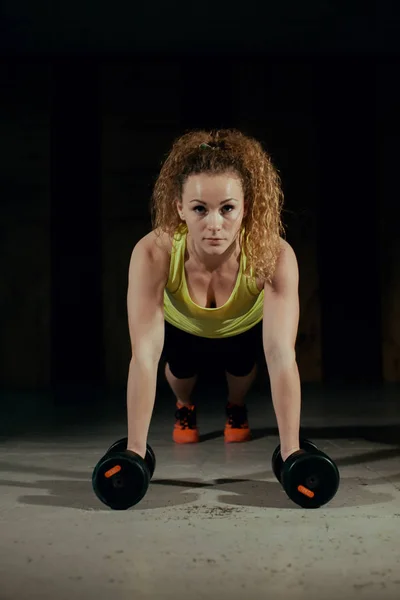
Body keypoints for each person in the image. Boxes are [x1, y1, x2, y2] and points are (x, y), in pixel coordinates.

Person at [126, 129, 301, 463]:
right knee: (180, 371)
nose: (214, 224)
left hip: (241, 327)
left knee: (241, 367)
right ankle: (184, 406)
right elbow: (144, 356)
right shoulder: (153, 252)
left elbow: (280, 356)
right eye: (200, 209)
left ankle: (236, 407)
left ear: (246, 207)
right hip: (183, 326)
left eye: (227, 208)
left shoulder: (275, 255)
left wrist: (292, 452)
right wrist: (135, 451)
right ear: (179, 209)